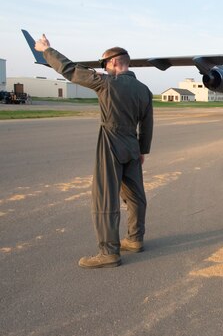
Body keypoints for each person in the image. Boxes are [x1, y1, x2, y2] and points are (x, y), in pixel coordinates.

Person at [33, 34, 154, 269]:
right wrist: (142, 150)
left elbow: (70, 70)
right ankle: (135, 239)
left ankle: (108, 252)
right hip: (131, 145)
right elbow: (147, 125)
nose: (103, 68)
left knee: (104, 197)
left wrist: (47, 50)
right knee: (136, 195)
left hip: (110, 142)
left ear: (115, 62)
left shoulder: (106, 83)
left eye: (103, 63)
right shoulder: (144, 90)